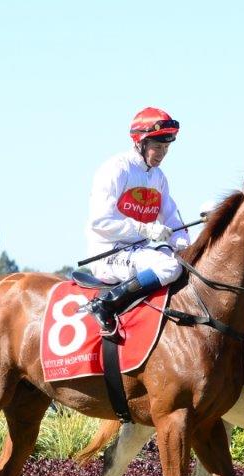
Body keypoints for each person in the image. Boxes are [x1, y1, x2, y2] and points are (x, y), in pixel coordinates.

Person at [86, 107, 189, 336]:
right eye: (158, 147)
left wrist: (185, 244)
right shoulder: (117, 169)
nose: (162, 154)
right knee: (169, 267)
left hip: (139, 251)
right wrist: (145, 229)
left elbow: (172, 218)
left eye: (166, 148)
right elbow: (100, 222)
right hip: (109, 253)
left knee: (183, 262)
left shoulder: (158, 177)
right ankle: (105, 304)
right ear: (140, 142)